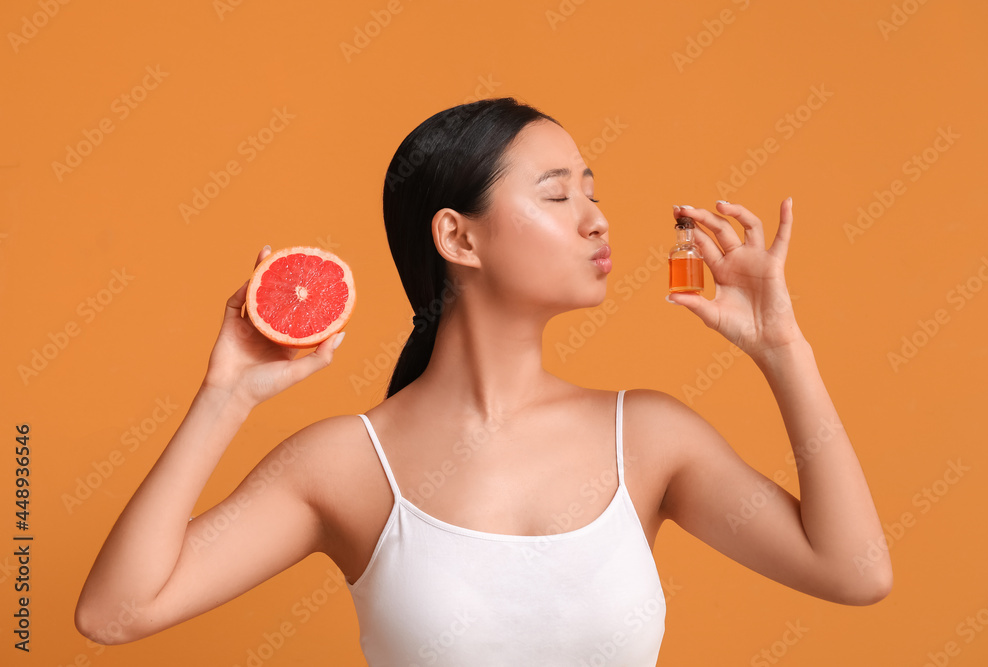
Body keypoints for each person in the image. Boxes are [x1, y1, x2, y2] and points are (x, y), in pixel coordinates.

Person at [74, 97, 892, 665]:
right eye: (557, 192)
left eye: (593, 189)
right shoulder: (348, 466)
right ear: (457, 238)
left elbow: (854, 572)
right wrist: (226, 398)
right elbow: (112, 613)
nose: (596, 217)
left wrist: (784, 350)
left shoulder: (647, 437)